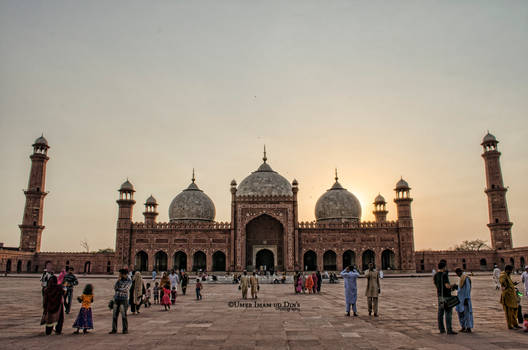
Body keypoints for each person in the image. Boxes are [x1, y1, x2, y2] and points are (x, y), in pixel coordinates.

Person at [434, 261, 458, 334]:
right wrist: (453, 286)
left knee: (440, 313)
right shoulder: (444, 275)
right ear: (444, 267)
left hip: (440, 296)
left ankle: (441, 329)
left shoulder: (436, 275)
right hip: (446, 296)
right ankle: (449, 329)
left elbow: (436, 285)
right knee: (448, 312)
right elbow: (447, 285)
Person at [110, 268, 131, 334]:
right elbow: (115, 288)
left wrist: (118, 289)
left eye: (120, 274)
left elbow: (126, 289)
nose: (119, 275)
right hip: (116, 298)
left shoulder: (129, 280)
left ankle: (125, 329)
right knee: (114, 315)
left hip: (123, 299)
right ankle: (114, 329)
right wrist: (118, 282)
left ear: (123, 274)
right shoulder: (119, 280)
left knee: (123, 315)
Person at [500, 265, 521, 330]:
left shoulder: (508, 275)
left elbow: (509, 283)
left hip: (512, 296)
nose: (511, 271)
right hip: (507, 296)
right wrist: (504, 285)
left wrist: (513, 284)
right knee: (509, 312)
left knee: (514, 310)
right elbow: (502, 281)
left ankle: (515, 324)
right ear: (507, 270)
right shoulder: (503, 275)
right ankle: (510, 325)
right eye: (511, 270)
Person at [455, 268, 473, 333]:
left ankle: (468, 327)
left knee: (467, 313)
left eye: (457, 273)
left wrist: (466, 298)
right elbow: (461, 288)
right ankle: (463, 327)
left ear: (460, 272)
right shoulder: (461, 278)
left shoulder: (466, 278)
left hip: (465, 299)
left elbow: (468, 289)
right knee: (460, 313)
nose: (457, 275)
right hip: (460, 299)